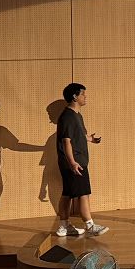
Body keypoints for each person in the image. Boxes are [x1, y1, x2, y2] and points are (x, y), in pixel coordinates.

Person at [55, 83, 108, 237]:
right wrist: (72, 163)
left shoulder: (76, 115)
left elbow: (77, 135)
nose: (85, 97)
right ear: (74, 96)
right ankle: (90, 225)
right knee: (83, 193)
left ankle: (64, 226)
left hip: (74, 161)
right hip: (75, 162)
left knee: (67, 193)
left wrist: (90, 139)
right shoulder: (68, 116)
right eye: (83, 94)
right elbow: (66, 141)